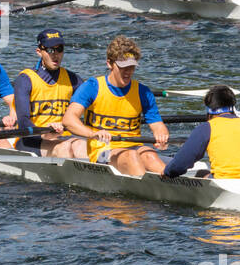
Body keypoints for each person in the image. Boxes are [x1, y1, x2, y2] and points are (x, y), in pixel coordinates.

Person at [62, 35, 170, 176]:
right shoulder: (92, 87)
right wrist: (92, 134)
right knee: (131, 156)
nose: (128, 72)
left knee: (151, 156)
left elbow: (157, 125)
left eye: (132, 67)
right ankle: (149, 193)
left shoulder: (143, 92)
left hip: (134, 145)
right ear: (110, 64)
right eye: (124, 67)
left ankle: (172, 186)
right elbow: (69, 120)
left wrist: (162, 137)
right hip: (102, 149)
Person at [161, 85, 240, 180]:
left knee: (202, 173)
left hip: (226, 181)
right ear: (232, 107)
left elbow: (181, 164)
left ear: (209, 110)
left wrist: (168, 172)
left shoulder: (207, 128)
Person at [13, 29, 85, 158]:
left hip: (64, 137)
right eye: (50, 50)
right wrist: (45, 134)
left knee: (82, 146)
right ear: (39, 52)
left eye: (59, 49)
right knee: (64, 148)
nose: (55, 55)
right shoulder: (25, 79)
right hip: (32, 139)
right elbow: (23, 121)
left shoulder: (73, 80)